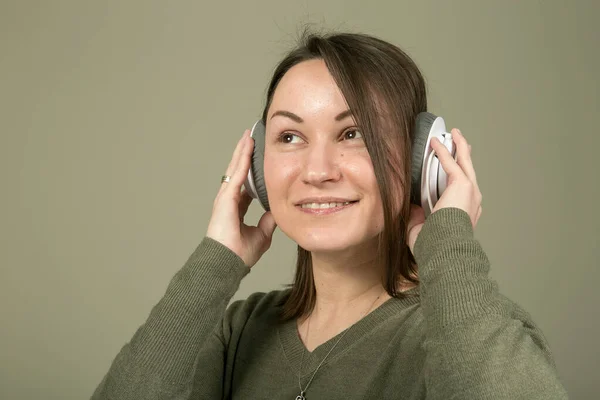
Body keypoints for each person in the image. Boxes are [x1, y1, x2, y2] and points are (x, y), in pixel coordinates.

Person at [91, 31, 568, 399]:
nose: (316, 171)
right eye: (290, 137)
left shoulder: (469, 329)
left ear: (423, 159)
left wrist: (447, 240)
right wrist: (215, 260)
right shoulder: (237, 332)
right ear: (257, 169)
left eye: (353, 133)